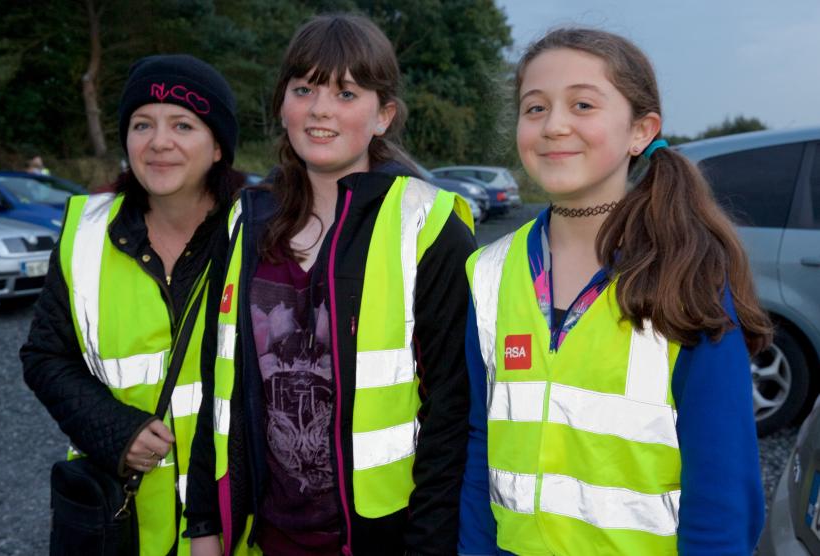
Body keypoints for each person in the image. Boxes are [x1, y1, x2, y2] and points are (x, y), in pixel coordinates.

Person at [458, 28, 772, 555]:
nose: (554, 125)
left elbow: (722, 493)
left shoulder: (685, 275)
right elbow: (479, 446)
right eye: (535, 108)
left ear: (640, 131)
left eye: (582, 104)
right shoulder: (488, 271)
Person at [185, 14, 477, 556]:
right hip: (265, 537)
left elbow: (453, 415)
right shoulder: (245, 223)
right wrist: (204, 523)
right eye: (304, 89)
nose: (320, 109)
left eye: (346, 92)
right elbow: (217, 386)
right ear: (282, 105)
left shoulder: (428, 227)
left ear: (383, 115)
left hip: (380, 539)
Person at [21, 54, 245, 555]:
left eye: (183, 124)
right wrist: (114, 431)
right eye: (142, 124)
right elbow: (43, 357)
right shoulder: (85, 233)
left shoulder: (258, 235)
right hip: (121, 520)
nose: (158, 142)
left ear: (217, 147)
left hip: (236, 524)